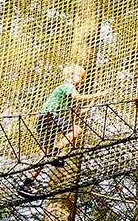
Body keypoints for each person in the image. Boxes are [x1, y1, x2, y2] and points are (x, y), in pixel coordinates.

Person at [17, 63, 109, 198]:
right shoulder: (67, 86)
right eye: (82, 77)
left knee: (44, 154)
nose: (83, 81)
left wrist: (96, 99)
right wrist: (94, 94)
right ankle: (56, 151)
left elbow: (82, 112)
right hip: (50, 117)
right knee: (76, 130)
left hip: (44, 122)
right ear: (72, 76)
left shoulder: (70, 95)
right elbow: (77, 97)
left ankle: (26, 184)